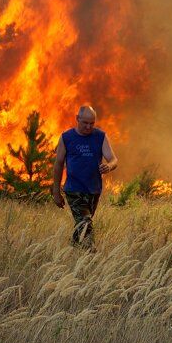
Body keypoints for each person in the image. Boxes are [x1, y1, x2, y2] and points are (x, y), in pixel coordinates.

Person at [52, 105, 118, 247]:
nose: (89, 127)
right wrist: (56, 192)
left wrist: (109, 166)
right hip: (74, 189)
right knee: (85, 223)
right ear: (77, 119)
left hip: (93, 190)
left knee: (81, 225)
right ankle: (91, 257)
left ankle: (72, 252)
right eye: (85, 123)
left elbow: (113, 160)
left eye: (92, 123)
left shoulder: (100, 136)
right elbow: (58, 165)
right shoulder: (66, 137)